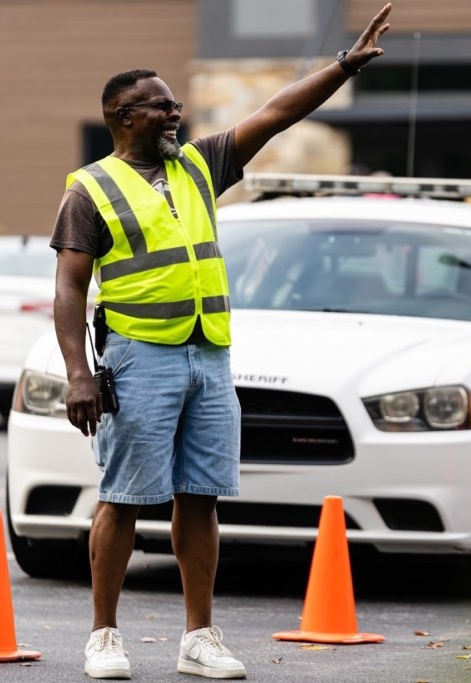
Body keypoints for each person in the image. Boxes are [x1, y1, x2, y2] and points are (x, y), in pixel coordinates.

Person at [50, 5, 391, 680]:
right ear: (123, 115)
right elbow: (68, 288)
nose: (174, 113)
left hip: (209, 354)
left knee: (200, 495)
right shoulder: (90, 189)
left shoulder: (200, 166)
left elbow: (275, 113)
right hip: (138, 354)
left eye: (175, 104)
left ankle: (198, 636)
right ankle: (104, 636)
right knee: (122, 496)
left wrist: (343, 67)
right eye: (158, 107)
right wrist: (78, 372)